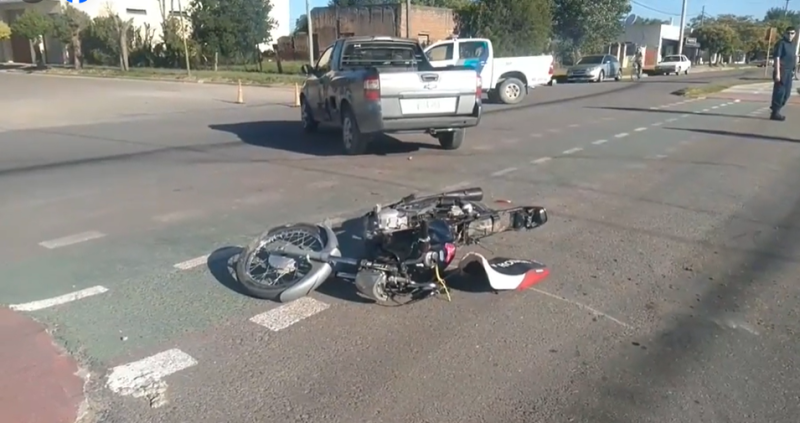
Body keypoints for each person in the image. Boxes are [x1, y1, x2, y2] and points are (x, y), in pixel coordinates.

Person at [770, 26, 797, 121]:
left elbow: (793, 58)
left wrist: (794, 71)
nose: (790, 35)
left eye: (792, 33)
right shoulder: (781, 43)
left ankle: (776, 109)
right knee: (779, 93)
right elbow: (777, 58)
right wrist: (777, 73)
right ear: (785, 34)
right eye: (788, 33)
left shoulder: (793, 45)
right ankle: (775, 112)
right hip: (781, 71)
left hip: (789, 72)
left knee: (787, 94)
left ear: (795, 34)